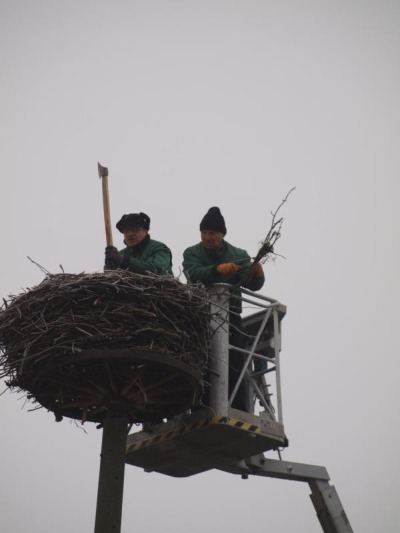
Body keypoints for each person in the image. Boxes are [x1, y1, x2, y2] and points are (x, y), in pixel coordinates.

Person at [182, 206, 265, 412]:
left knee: (234, 363)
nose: (207, 237)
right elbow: (194, 274)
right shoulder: (192, 252)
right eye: (204, 232)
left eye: (212, 233)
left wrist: (257, 275)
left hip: (231, 317)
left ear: (222, 234)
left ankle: (238, 408)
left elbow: (251, 284)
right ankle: (201, 408)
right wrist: (216, 270)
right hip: (201, 316)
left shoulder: (238, 254)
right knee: (203, 362)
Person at [104, 211, 173, 275]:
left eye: (135, 229)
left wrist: (124, 261)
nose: (130, 234)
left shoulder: (159, 248)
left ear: (146, 231)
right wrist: (109, 269)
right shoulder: (121, 254)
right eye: (126, 231)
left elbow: (156, 270)